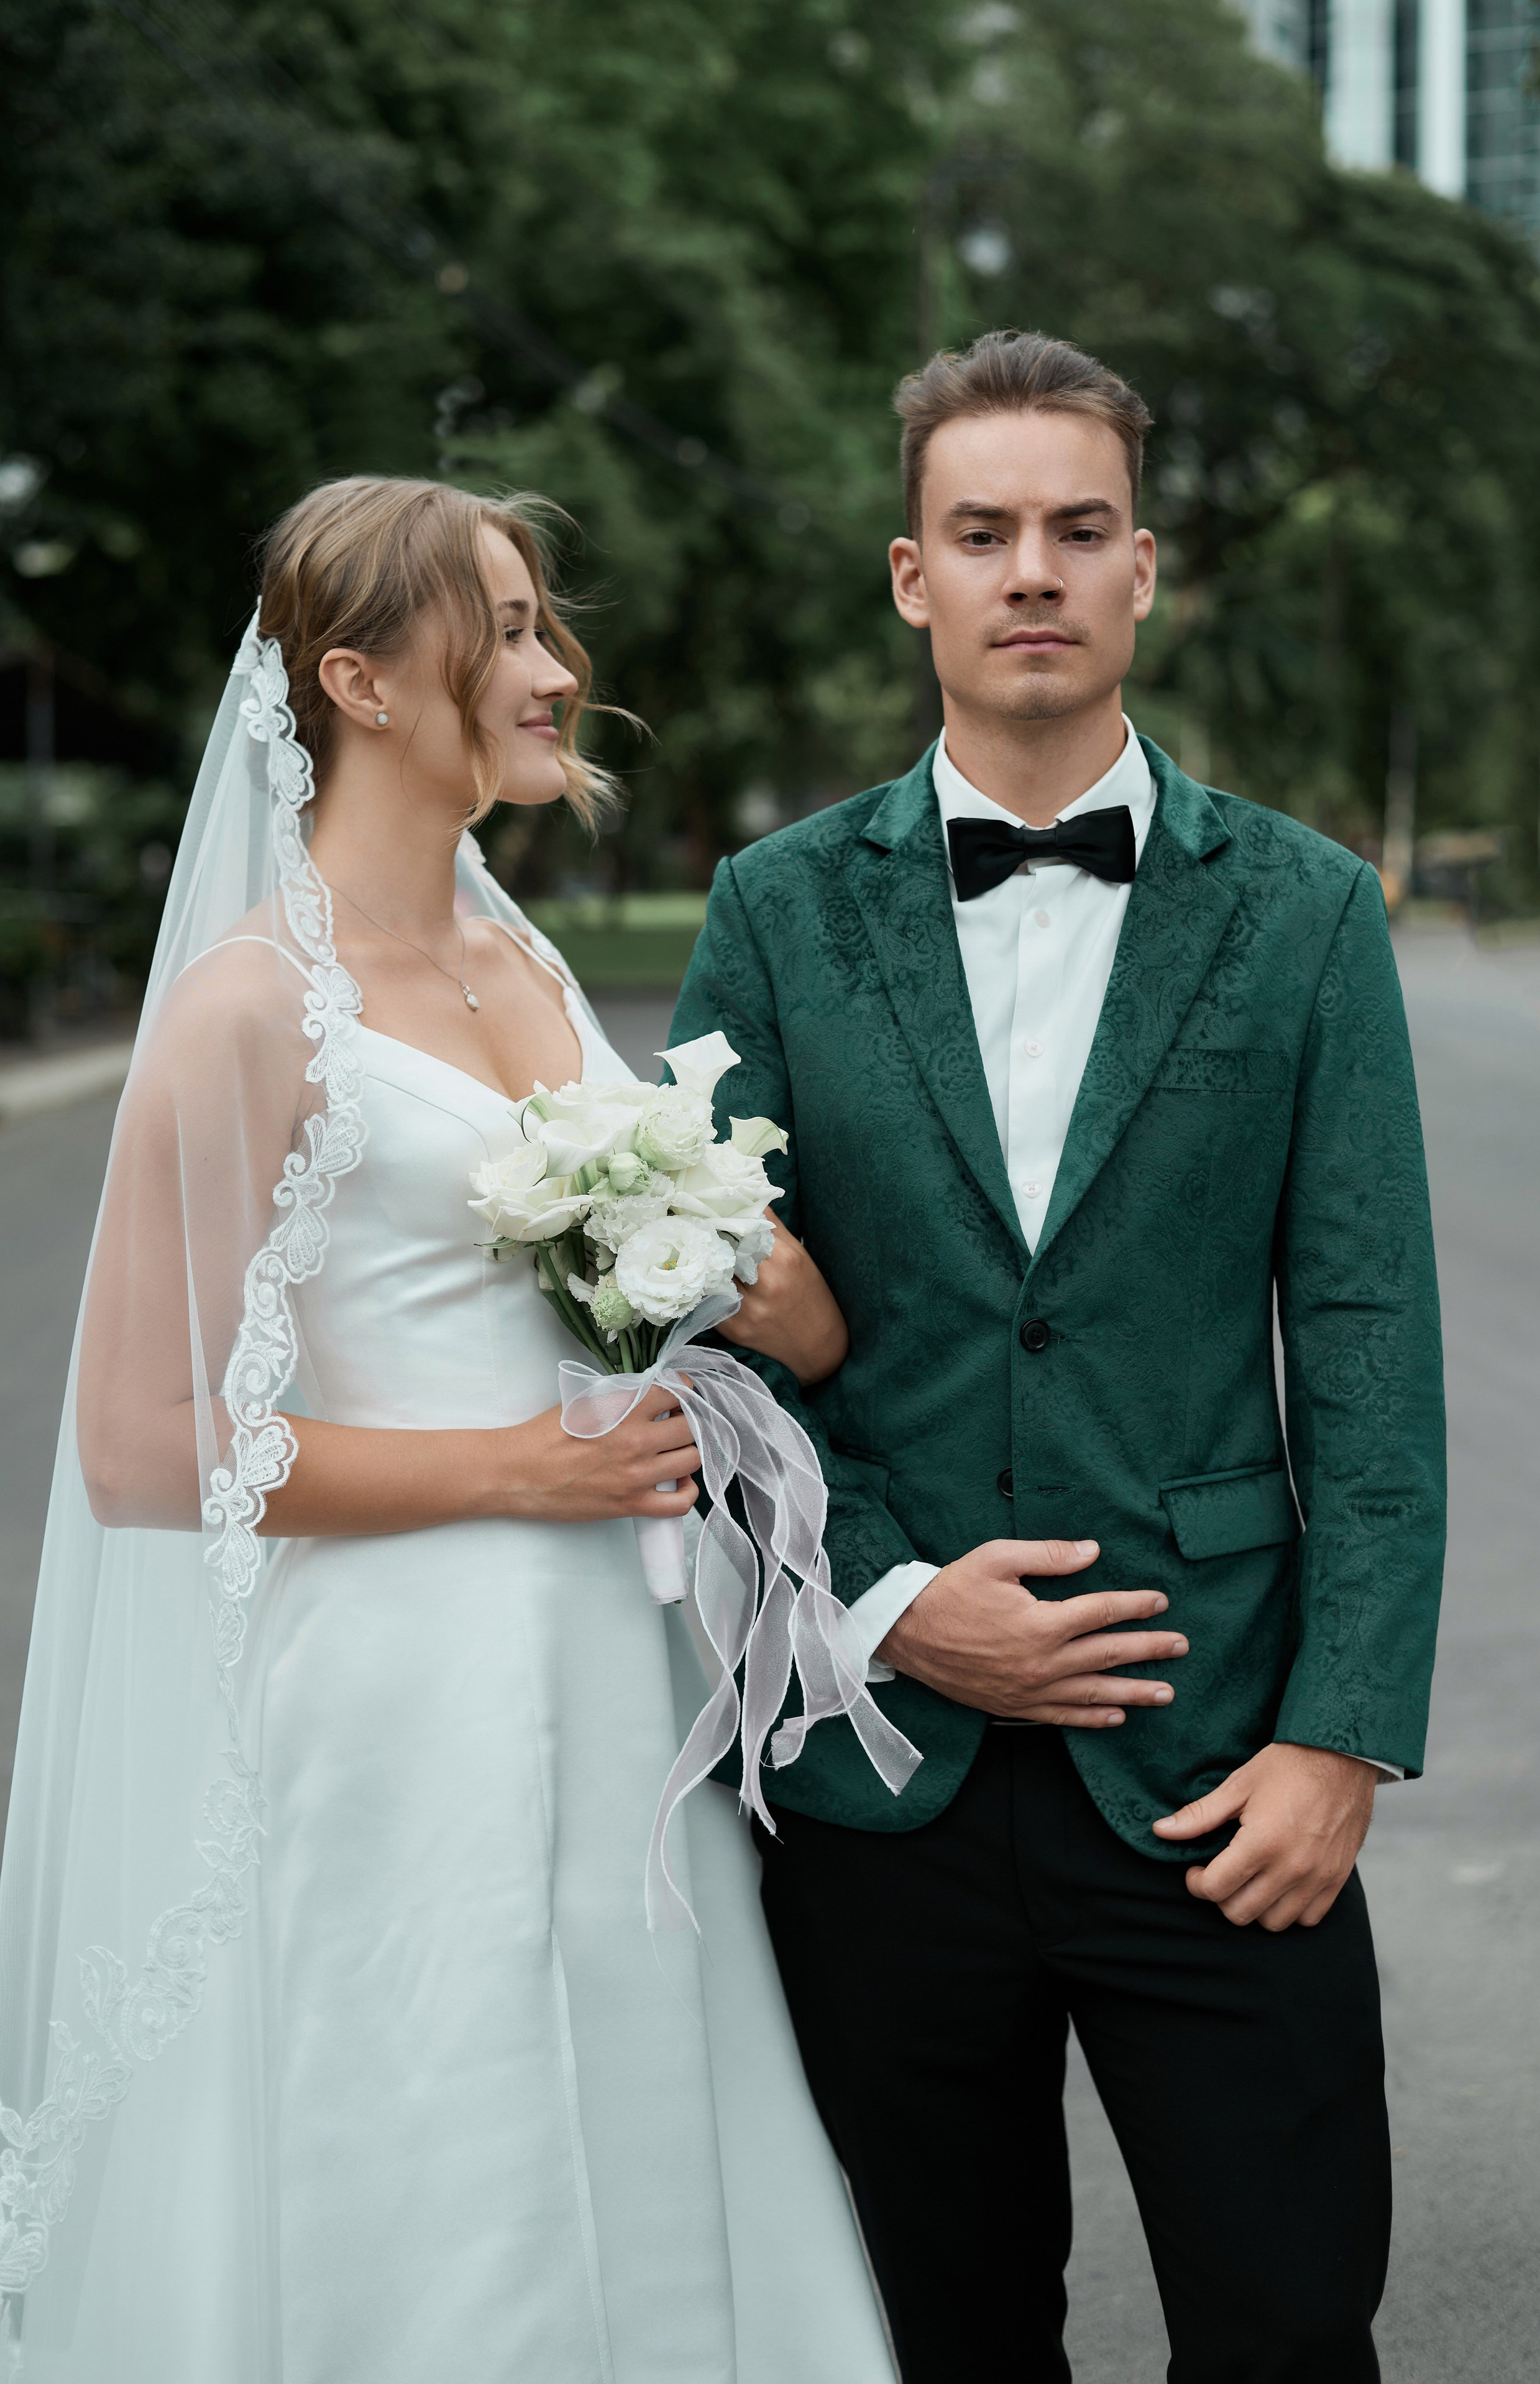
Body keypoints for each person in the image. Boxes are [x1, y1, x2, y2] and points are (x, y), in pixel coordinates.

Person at [0, 476, 901, 2382]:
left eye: (541, 621)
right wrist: (520, 1469)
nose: (552, 667)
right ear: (359, 682)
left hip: (609, 1654)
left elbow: (684, 1290)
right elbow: (139, 1446)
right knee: (450, 2136)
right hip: (397, 1687)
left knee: (644, 2099)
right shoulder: (246, 1008)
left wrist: (741, 1281)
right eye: (498, 630)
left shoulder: (530, 963)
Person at [668, 330, 1447, 2383]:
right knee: (941, 2336)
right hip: (878, 1779)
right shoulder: (769, 907)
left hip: (1221, 1769)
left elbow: (1369, 1344)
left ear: (1145, 570)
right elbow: (689, 1326)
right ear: (911, 575)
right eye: (984, 530)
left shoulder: (1306, 911)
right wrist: (899, 1607)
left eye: (1077, 530)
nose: (1035, 569)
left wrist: (1342, 1736)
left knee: (1289, 2326)